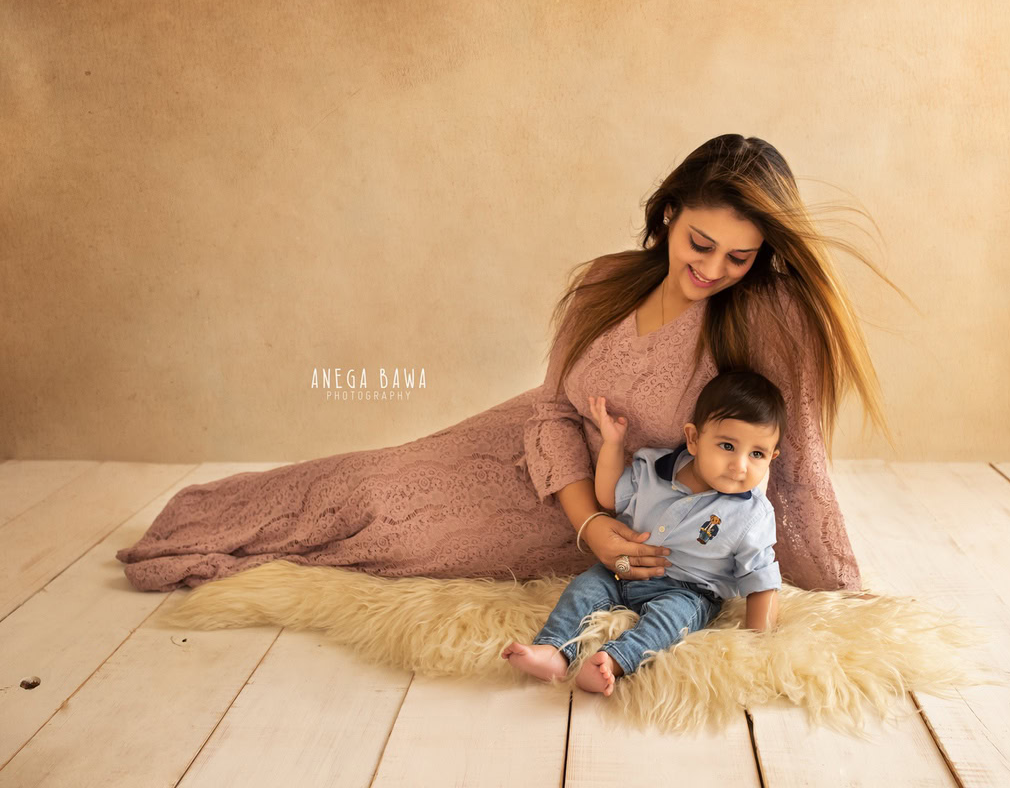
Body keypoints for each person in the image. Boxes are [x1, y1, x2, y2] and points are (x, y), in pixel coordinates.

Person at [115, 133, 898, 600]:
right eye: (700, 244)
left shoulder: (773, 317)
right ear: (667, 217)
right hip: (541, 461)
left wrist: (839, 588)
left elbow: (798, 464)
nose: (715, 268)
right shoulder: (602, 282)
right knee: (369, 483)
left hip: (630, 508)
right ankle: (203, 520)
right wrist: (584, 522)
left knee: (389, 538)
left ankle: (244, 545)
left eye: (739, 256)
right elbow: (552, 409)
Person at [502, 370, 786, 696]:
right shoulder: (652, 469)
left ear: (771, 458)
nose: (740, 466)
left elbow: (761, 579)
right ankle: (554, 651)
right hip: (623, 571)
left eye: (757, 454)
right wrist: (613, 444)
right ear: (693, 439)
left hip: (689, 591)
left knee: (668, 622)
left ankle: (614, 661)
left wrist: (759, 647)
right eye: (727, 446)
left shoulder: (752, 515)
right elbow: (608, 497)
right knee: (585, 588)